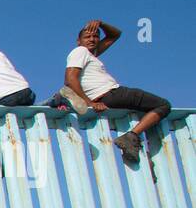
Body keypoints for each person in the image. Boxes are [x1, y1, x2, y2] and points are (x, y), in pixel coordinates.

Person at [63, 20, 171, 163]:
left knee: (151, 105)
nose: (92, 39)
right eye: (87, 37)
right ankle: (132, 136)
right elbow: (70, 78)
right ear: (78, 41)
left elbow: (115, 35)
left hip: (107, 96)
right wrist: (89, 103)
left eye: (95, 36)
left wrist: (100, 23)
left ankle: (134, 139)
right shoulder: (80, 51)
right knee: (163, 105)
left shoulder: (90, 54)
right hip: (112, 93)